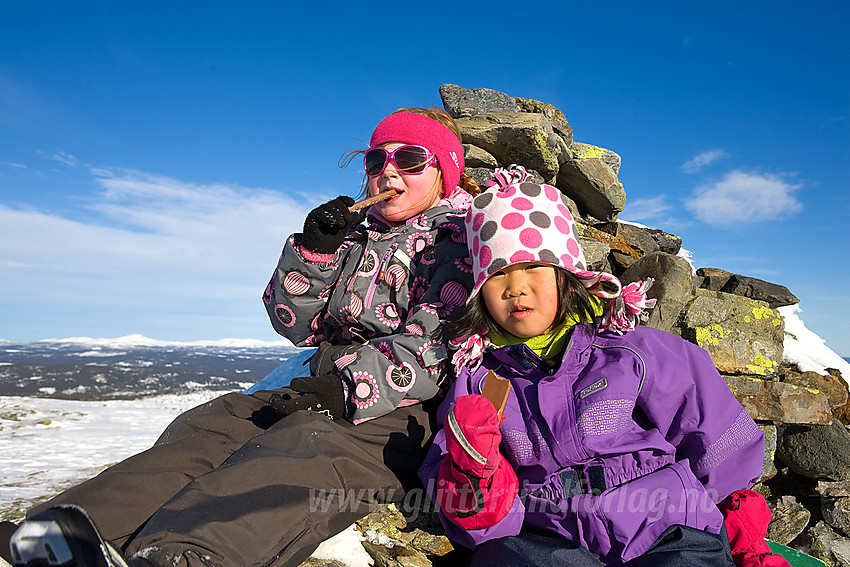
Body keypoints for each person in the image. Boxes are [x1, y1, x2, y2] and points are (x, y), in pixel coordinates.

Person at [7, 107, 478, 567]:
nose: (389, 172)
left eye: (411, 159)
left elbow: (438, 342)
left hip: (404, 407)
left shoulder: (456, 242)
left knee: (308, 446)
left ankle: (186, 554)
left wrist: (351, 387)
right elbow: (294, 324)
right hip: (323, 380)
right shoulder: (357, 236)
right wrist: (315, 253)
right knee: (218, 422)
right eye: (378, 160)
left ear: (444, 170)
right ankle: (61, 533)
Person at [418, 166, 766, 567]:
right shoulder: (479, 382)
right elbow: (464, 508)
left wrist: (747, 539)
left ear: (568, 278)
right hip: (549, 537)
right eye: (498, 275)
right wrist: (475, 478)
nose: (515, 287)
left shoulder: (632, 352)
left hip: (667, 529)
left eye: (533, 267)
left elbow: (715, 438)